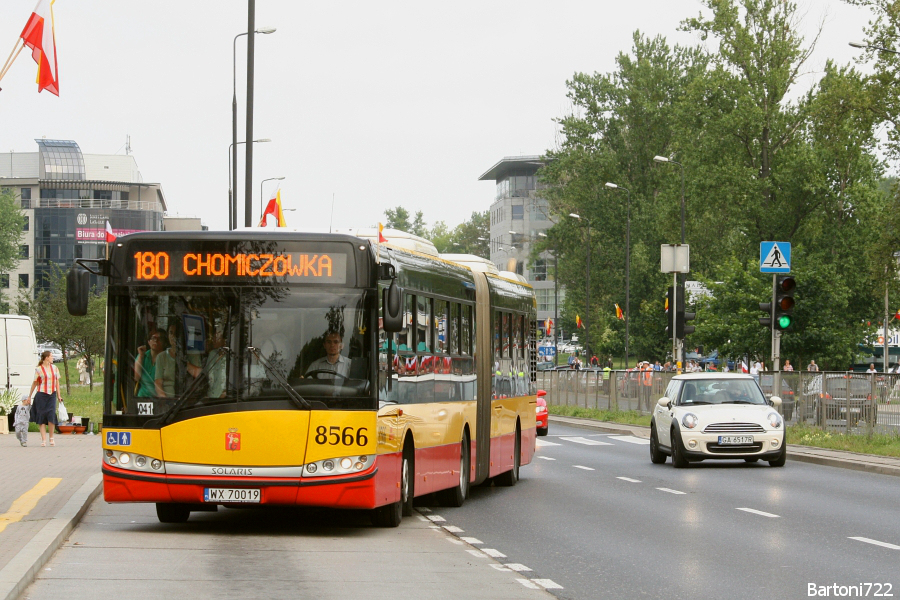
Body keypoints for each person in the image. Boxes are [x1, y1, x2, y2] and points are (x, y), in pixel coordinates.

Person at [27, 350, 62, 447]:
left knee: (51, 415)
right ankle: (43, 439)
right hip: (42, 394)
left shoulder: (54, 368)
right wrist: (30, 395)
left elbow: (57, 382)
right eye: (51, 356)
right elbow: (35, 383)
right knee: (41, 416)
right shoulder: (39, 369)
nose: (52, 358)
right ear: (46, 358)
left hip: (52, 394)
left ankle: (51, 437)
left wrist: (59, 395)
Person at [155, 321, 181, 397]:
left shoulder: (189, 355)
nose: (174, 336)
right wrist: (165, 401)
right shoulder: (161, 357)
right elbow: (158, 383)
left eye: (176, 333)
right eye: (171, 333)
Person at [135, 330, 164, 397]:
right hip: (142, 398)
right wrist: (141, 356)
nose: (156, 341)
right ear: (148, 342)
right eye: (153, 338)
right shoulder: (142, 356)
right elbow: (136, 378)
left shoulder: (166, 358)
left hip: (161, 399)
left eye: (159, 339)